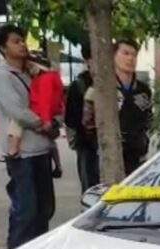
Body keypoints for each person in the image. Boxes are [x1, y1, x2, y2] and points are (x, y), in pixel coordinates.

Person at [0, 24, 57, 249]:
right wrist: (42, 123)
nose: (22, 45)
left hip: (41, 149)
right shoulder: (2, 77)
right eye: (15, 41)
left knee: (45, 209)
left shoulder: (32, 73)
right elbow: (16, 111)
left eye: (22, 40)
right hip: (22, 153)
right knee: (26, 210)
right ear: (3, 48)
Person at [6, 51, 64, 181]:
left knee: (17, 123)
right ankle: (58, 165)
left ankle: (12, 152)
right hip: (51, 114)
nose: (28, 70)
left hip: (40, 113)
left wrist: (46, 120)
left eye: (30, 66)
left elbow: (45, 100)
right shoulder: (54, 77)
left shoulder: (44, 79)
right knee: (50, 141)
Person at [113, 39, 152, 175]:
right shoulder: (104, 88)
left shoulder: (143, 90)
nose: (130, 58)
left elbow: (148, 118)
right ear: (113, 56)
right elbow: (89, 122)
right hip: (112, 154)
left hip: (138, 154)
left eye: (134, 55)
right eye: (125, 53)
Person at [64, 42, 98, 193]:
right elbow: (70, 119)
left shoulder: (114, 83)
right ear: (87, 60)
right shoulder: (78, 86)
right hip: (87, 147)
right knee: (91, 189)